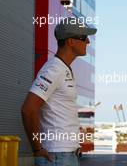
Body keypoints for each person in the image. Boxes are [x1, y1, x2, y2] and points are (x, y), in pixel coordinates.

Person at [21, 17, 97, 166]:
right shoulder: (53, 69)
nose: (88, 42)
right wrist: (37, 149)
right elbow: (28, 109)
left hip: (67, 155)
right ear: (70, 41)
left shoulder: (64, 68)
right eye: (84, 37)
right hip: (57, 156)